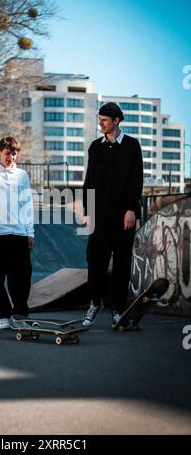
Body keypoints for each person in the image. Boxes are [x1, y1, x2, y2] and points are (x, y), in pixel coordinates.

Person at [82, 102, 143, 327]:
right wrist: (88, 211)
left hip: (123, 217)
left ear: (116, 120)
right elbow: (89, 180)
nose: (101, 124)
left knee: (121, 264)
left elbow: (136, 179)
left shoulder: (132, 146)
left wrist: (131, 208)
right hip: (98, 216)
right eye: (99, 120)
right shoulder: (95, 147)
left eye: (104, 120)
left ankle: (118, 309)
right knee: (95, 261)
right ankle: (94, 303)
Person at [0, 136, 35, 329]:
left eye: (14, 154)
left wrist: (30, 232)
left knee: (21, 277)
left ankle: (20, 312)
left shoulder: (22, 175)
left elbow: (27, 204)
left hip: (19, 234)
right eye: (7, 153)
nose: (11, 157)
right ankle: (2, 315)